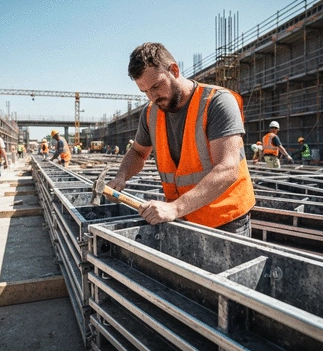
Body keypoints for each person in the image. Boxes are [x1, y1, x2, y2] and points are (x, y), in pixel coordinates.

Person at [106, 42, 255, 236]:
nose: (152, 97)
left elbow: (227, 168)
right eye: (145, 92)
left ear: (174, 70)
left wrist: (174, 208)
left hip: (225, 219)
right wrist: (121, 176)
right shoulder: (151, 113)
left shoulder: (217, 102)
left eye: (156, 86)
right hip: (183, 217)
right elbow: (138, 152)